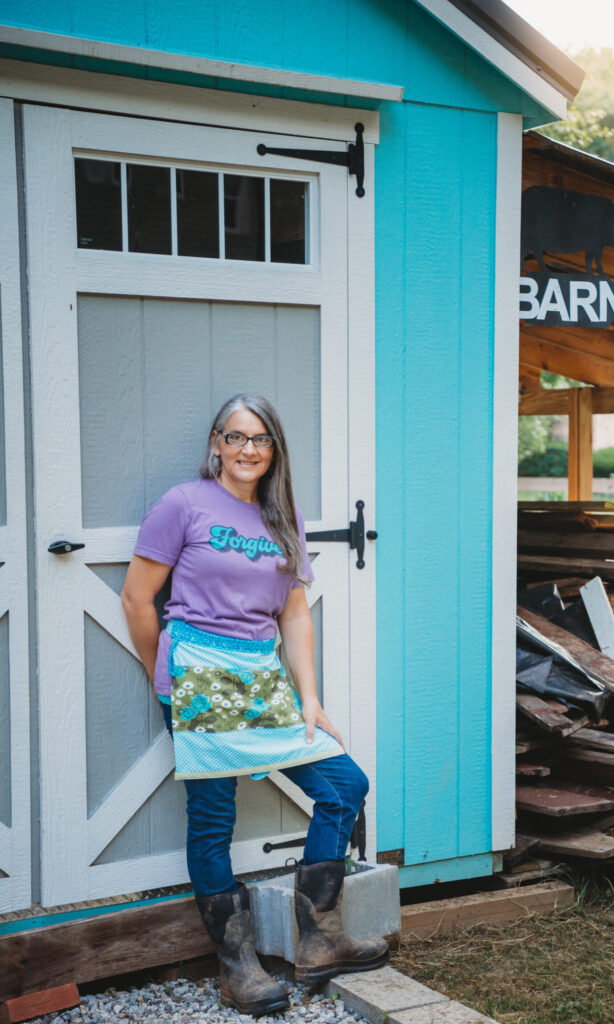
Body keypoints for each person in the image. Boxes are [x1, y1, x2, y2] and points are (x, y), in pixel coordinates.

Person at [121, 394, 388, 1017]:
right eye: (236, 437)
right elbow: (137, 599)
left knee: (344, 784)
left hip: (262, 677)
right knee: (213, 818)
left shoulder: (280, 513)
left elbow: (293, 612)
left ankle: (320, 940)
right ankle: (236, 966)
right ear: (216, 442)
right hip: (199, 677)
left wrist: (310, 698)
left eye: (261, 439)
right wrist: (165, 677)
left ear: (274, 449)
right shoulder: (182, 504)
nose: (248, 449)